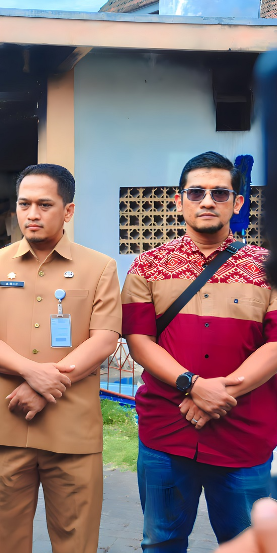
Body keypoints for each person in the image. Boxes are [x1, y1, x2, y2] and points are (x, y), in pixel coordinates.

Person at [122, 151, 277, 551]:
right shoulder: (147, 266)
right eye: (196, 192)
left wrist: (218, 393)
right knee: (161, 542)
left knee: (251, 543)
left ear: (238, 202)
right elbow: (139, 340)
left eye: (220, 193)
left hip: (243, 434)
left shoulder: (267, 268)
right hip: (167, 431)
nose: (207, 201)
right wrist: (191, 384)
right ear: (179, 201)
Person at [0, 163, 121, 553]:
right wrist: (33, 373)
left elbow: (103, 339)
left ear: (68, 210)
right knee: (4, 541)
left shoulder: (99, 267)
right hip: (6, 426)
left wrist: (47, 385)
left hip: (72, 430)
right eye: (24, 204)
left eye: (44, 204)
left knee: (76, 541)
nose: (31, 214)